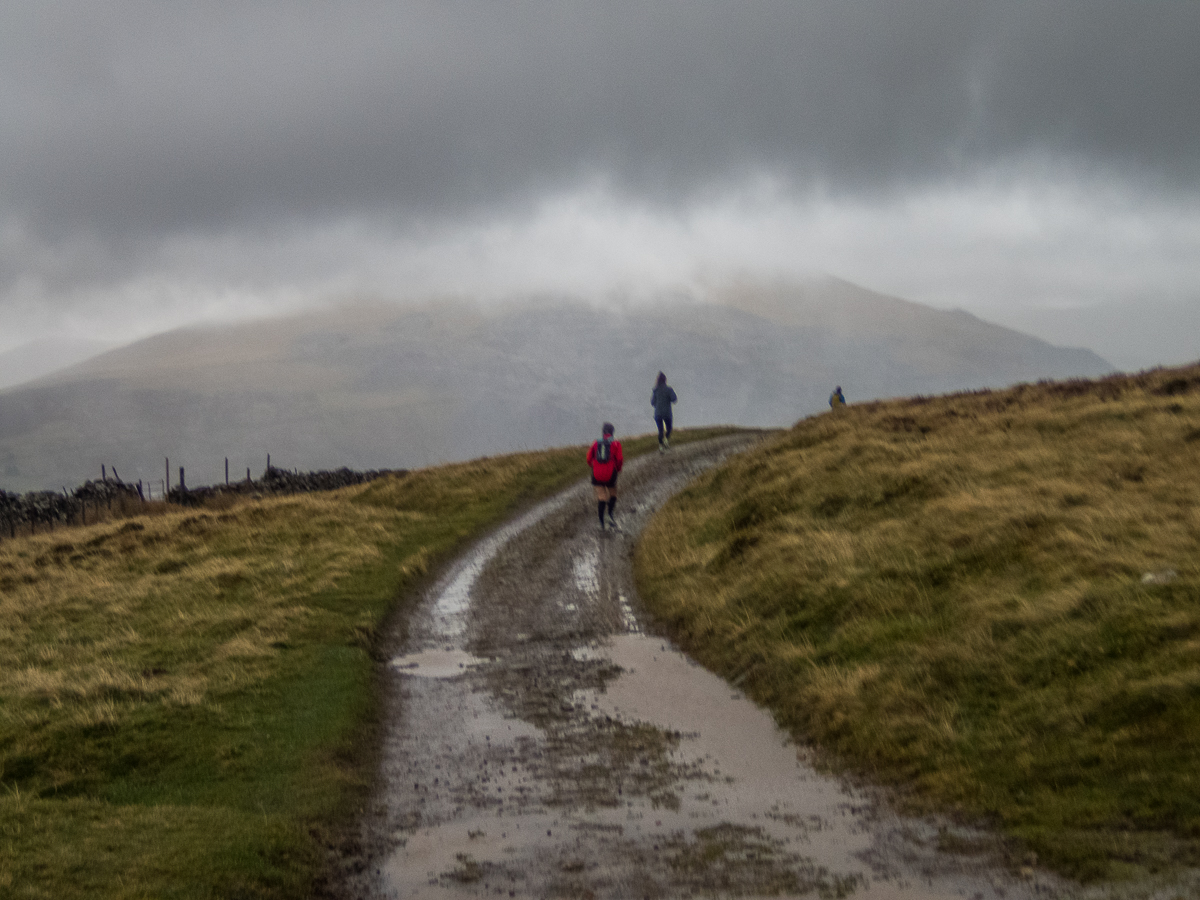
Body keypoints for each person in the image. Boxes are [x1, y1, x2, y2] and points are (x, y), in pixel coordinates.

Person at [587, 422, 624, 531]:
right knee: (613, 494)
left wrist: (593, 466)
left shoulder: (595, 443)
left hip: (597, 474)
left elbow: (589, 458)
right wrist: (618, 469)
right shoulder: (616, 444)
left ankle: (601, 522)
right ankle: (609, 515)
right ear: (612, 432)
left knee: (601, 496)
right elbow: (620, 459)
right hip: (610, 473)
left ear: (603, 432)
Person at [651, 372, 677, 451]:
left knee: (660, 430)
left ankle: (661, 446)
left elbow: (652, 402)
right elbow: (674, 399)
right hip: (667, 413)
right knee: (669, 428)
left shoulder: (655, 390)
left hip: (657, 413)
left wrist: (658, 404)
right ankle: (666, 441)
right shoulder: (669, 389)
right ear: (665, 380)